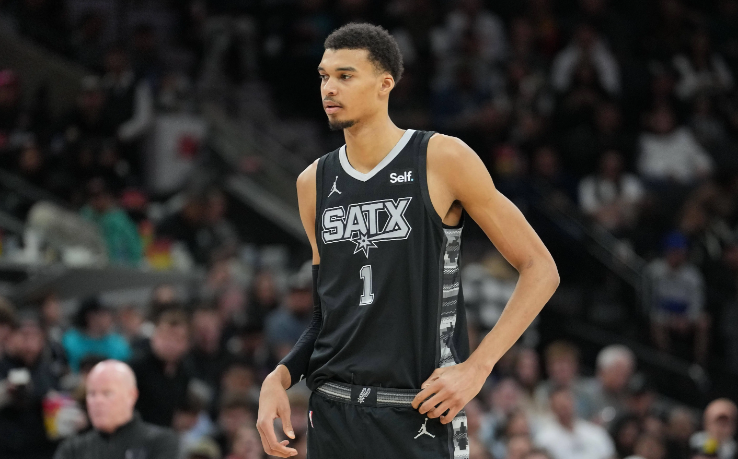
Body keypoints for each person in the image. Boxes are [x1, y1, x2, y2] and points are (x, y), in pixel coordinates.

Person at [256, 23, 560, 459]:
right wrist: (279, 377)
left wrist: (478, 367)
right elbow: (326, 315)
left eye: (345, 76)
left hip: (418, 412)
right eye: (324, 76)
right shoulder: (313, 182)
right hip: (333, 414)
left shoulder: (441, 157)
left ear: (385, 84)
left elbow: (541, 268)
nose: (329, 88)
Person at [54, 360, 179, 459]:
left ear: (131, 396)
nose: (98, 401)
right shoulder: (73, 448)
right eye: (92, 394)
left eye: (107, 393)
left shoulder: (160, 442)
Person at [533, 387, 616, 459]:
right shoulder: (544, 439)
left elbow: (609, 455)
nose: (564, 409)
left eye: (567, 403)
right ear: (552, 407)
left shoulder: (595, 432)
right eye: (560, 405)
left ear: (574, 403)